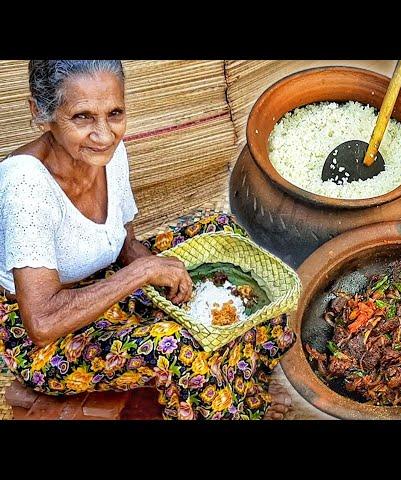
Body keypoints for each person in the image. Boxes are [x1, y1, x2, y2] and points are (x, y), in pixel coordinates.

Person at [0, 60, 295, 420]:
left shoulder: (107, 152)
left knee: (220, 232)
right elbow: (42, 322)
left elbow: (123, 242)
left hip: (104, 279)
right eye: (82, 117)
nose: (105, 134)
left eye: (115, 113)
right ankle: (231, 406)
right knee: (175, 346)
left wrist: (161, 276)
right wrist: (143, 274)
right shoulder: (25, 185)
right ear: (41, 114)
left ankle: (245, 381)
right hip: (43, 336)